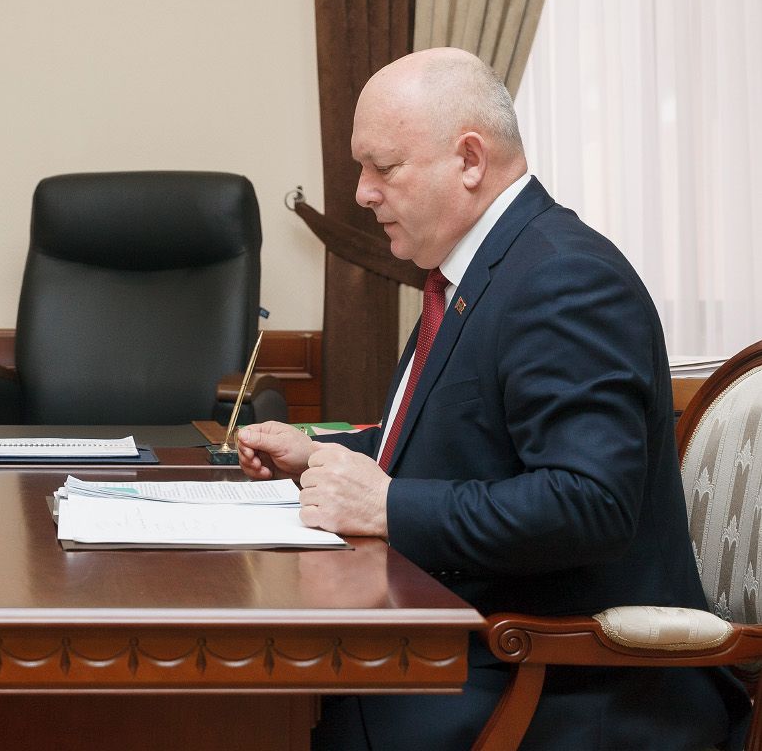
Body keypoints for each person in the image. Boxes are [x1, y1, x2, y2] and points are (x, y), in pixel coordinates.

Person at [238, 48, 749, 749]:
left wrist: (386, 506)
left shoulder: (563, 278)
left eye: (383, 167)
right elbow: (455, 446)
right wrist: (318, 453)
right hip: (479, 643)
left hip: (570, 681)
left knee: (268, 708)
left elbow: (589, 503)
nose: (361, 193)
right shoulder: (481, 269)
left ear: (470, 160)